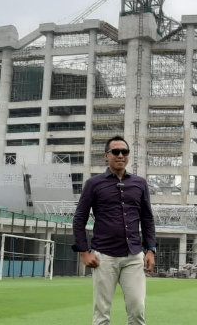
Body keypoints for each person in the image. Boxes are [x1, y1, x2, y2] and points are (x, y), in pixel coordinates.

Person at [72, 135, 157, 325]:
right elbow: (79, 219)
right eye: (115, 151)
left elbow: (147, 218)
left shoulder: (140, 184)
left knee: (137, 311)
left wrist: (151, 249)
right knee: (101, 314)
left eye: (124, 152)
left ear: (128, 156)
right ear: (106, 156)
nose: (120, 155)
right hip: (104, 257)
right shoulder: (93, 184)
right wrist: (84, 252)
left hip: (133, 255)